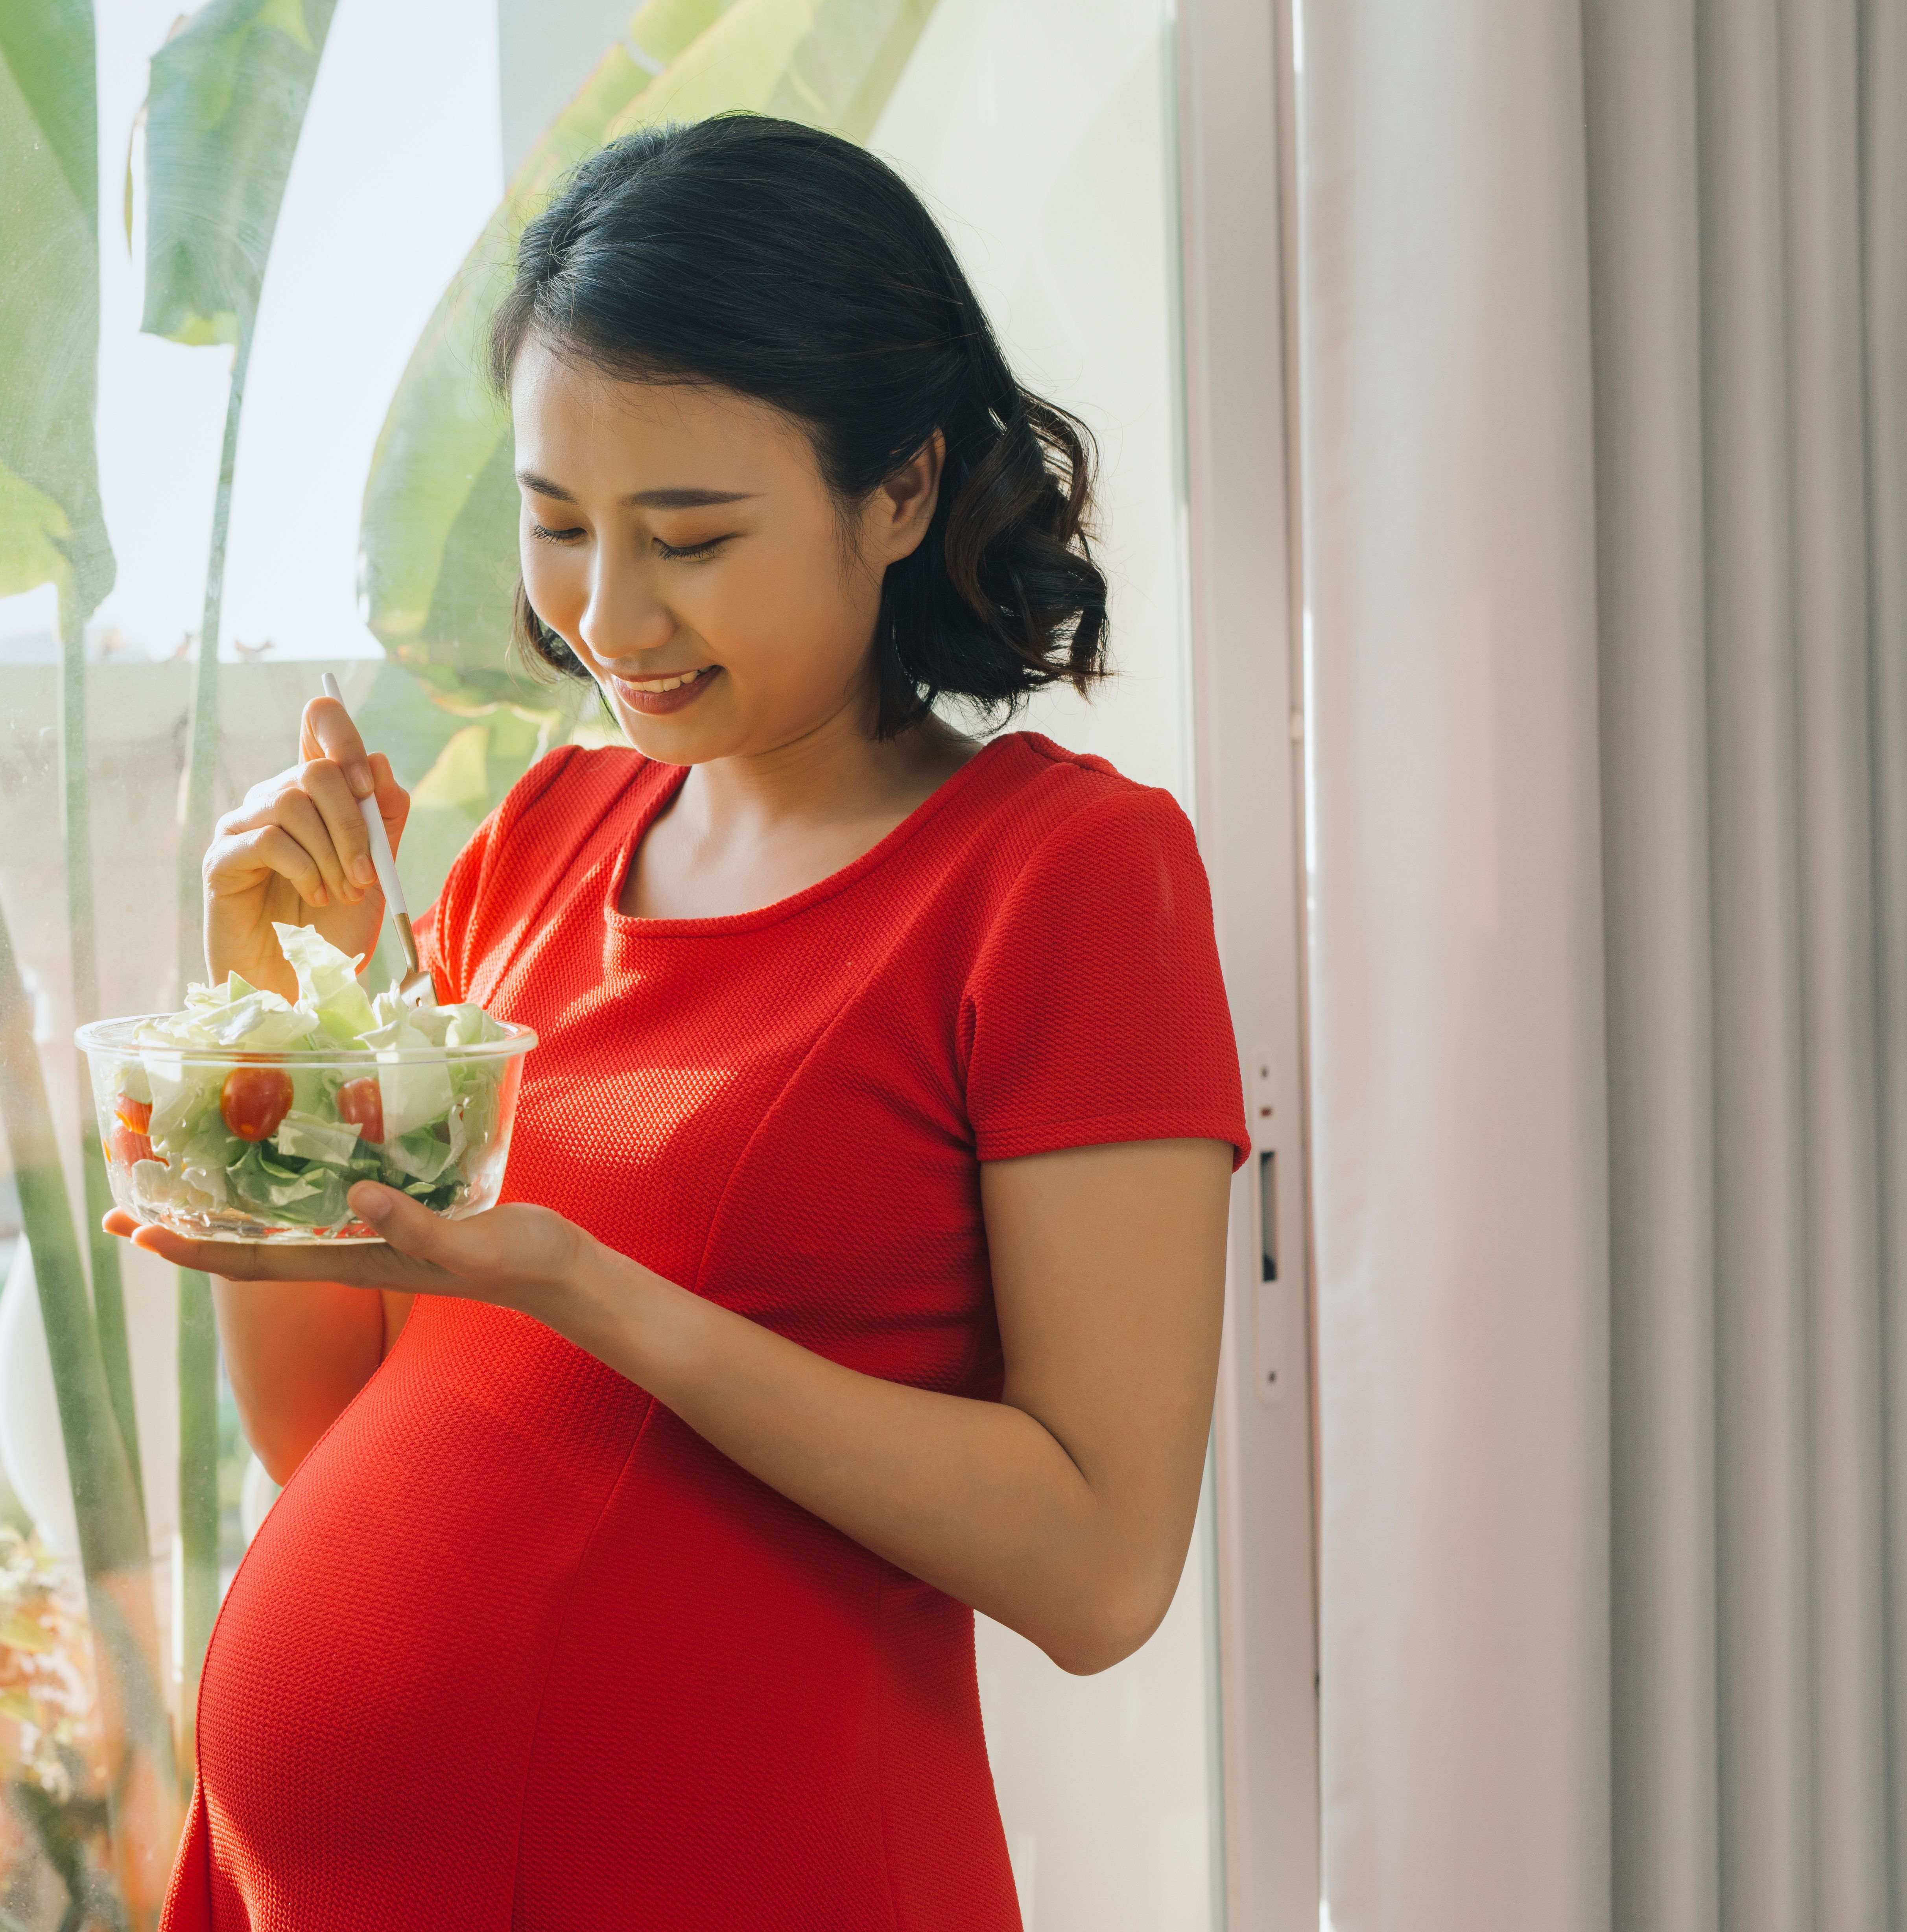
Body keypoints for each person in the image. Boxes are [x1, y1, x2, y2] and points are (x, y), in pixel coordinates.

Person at [116, 113, 1248, 1931]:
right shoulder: (545, 842)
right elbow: (338, 1431)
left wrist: (595, 1293)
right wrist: (295, 1025)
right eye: (556, 522)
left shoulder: (1064, 877)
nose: (604, 613)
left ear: (897, 493)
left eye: (690, 537)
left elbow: (1101, 1562)